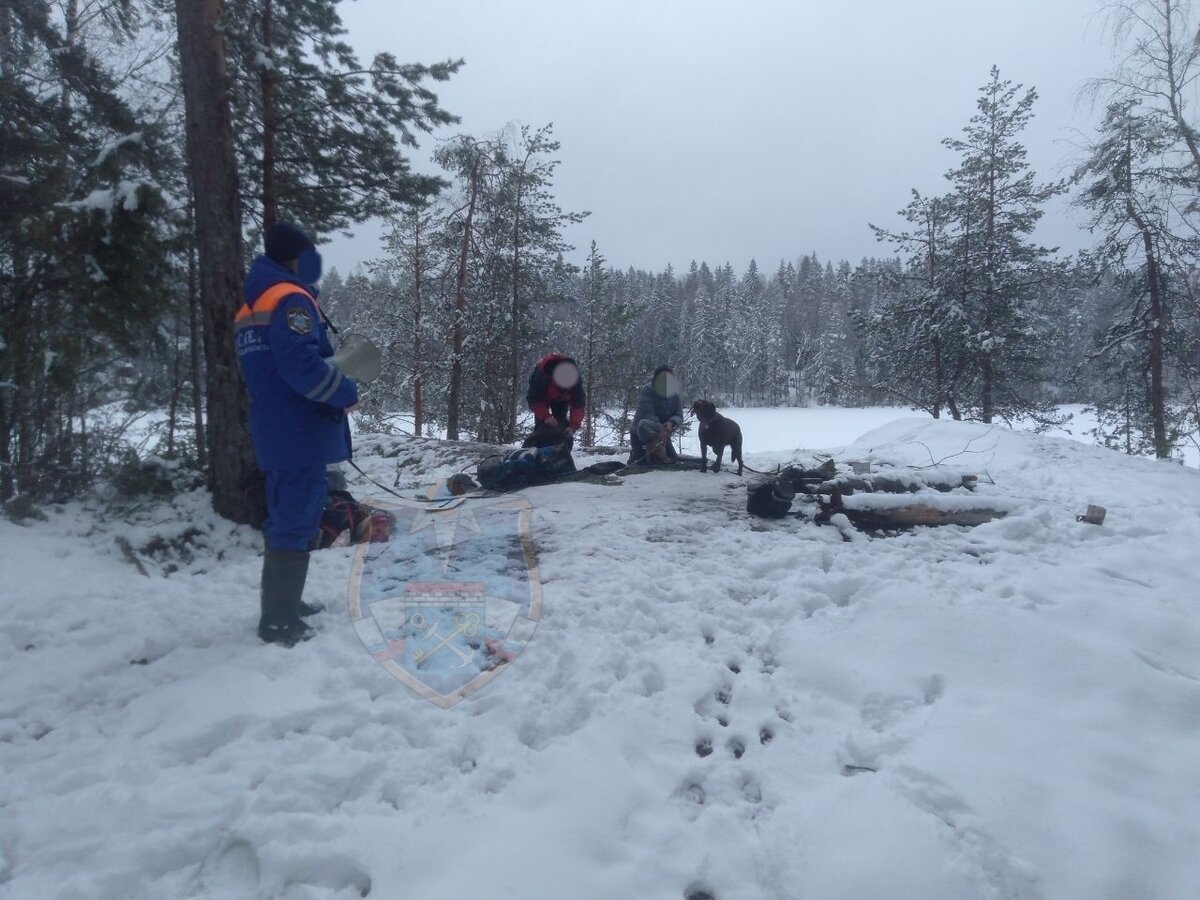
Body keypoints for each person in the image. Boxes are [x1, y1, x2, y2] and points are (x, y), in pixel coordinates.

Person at [235, 221, 359, 646]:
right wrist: (344, 393)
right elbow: (301, 367)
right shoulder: (290, 298)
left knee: (289, 511)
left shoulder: (254, 301)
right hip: (297, 425)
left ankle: (286, 603)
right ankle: (279, 619)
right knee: (295, 512)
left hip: (275, 422)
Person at [524, 352, 587, 448]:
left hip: (562, 399)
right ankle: (538, 449)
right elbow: (534, 399)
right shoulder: (541, 375)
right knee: (542, 426)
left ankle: (558, 450)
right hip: (542, 398)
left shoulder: (575, 379)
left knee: (561, 425)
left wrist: (573, 426)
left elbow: (578, 404)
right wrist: (546, 416)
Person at [628, 364, 684, 466]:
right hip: (641, 433)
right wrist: (662, 428)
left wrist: (671, 422)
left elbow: (679, 415)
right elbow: (647, 414)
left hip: (663, 434)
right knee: (640, 462)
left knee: (672, 459)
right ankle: (641, 453)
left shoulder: (674, 395)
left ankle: (658, 452)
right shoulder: (648, 390)